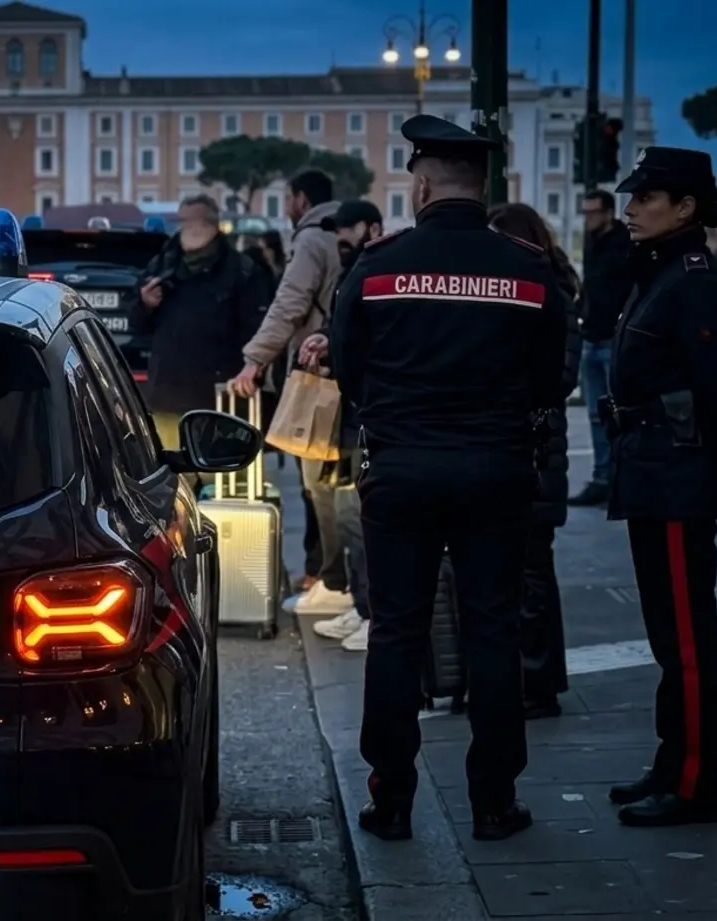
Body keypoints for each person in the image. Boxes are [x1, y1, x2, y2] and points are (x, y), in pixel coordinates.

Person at [329, 114, 570, 843]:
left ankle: (390, 798)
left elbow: (348, 367)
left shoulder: (375, 268)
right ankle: (493, 800)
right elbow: (552, 378)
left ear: (422, 185)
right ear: (485, 186)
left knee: (396, 632)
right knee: (491, 630)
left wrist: (396, 415)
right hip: (496, 468)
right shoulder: (529, 270)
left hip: (400, 468)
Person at [600, 147, 717, 827]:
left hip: (676, 470)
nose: (630, 209)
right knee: (667, 635)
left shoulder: (693, 278)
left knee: (687, 637)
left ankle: (696, 781)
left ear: (685, 207)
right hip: (653, 466)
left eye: (645, 198)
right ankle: (674, 761)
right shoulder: (663, 270)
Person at [231, 170, 351, 617]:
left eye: (287, 197)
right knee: (335, 480)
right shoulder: (340, 233)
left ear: (301, 199)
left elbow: (290, 304)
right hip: (346, 369)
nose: (286, 205)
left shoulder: (312, 241)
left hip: (315, 371)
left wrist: (255, 358)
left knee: (316, 481)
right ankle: (329, 576)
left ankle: (329, 579)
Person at [488, 203, 582, 719]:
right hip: (524, 447)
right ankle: (526, 676)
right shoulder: (538, 288)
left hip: (537, 450)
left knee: (532, 571)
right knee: (518, 571)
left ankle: (539, 679)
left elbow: (558, 377)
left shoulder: (551, 293)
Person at [132, 194, 274, 490]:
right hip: (167, 395)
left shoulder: (241, 270)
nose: (190, 228)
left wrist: (250, 372)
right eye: (184, 221)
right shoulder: (162, 264)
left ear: (212, 224)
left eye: (197, 221)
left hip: (219, 400)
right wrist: (145, 304)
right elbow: (137, 326)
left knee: (222, 488)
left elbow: (258, 329)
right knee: (171, 488)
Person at [300, 199, 386, 653]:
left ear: (372, 227)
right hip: (347, 415)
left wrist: (334, 345)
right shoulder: (355, 270)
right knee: (346, 515)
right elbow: (346, 329)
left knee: (357, 517)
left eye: (348, 231)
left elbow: (366, 336)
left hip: (364, 416)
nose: (341, 241)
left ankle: (373, 611)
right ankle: (361, 603)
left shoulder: (376, 270)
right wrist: (327, 338)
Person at [569, 191, 633, 507]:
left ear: (608, 212)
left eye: (593, 212)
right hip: (592, 335)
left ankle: (619, 478)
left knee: (618, 414)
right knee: (596, 414)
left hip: (613, 338)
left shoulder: (626, 244)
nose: (588, 218)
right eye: (585, 212)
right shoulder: (593, 242)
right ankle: (602, 477)